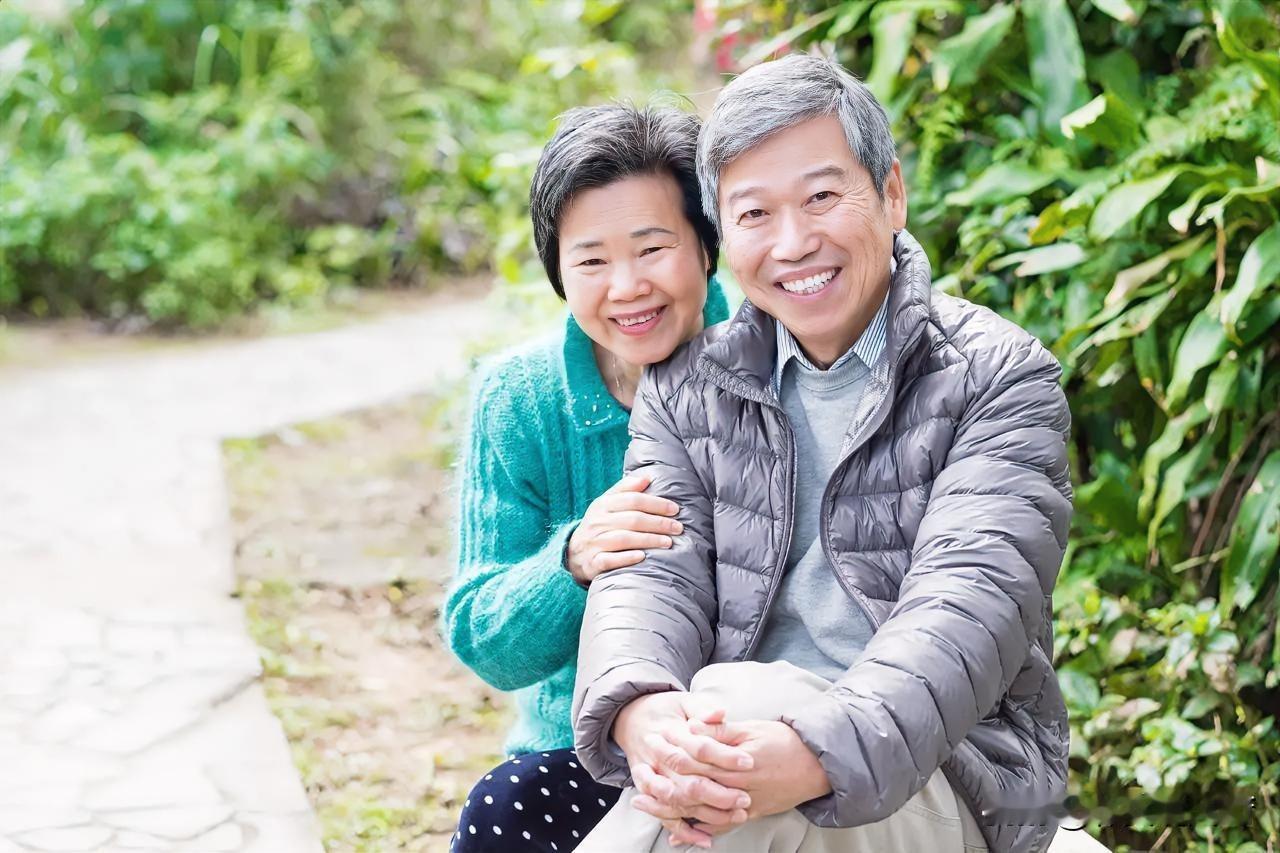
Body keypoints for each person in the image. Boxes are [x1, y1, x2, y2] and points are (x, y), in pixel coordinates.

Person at [573, 54, 1073, 853]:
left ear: (893, 193)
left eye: (821, 196)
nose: (794, 241)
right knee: (725, 742)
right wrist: (642, 713)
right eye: (755, 214)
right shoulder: (686, 390)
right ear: (724, 233)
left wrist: (809, 753)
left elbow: (969, 610)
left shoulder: (997, 377)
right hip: (734, 749)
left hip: (937, 779)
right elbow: (650, 574)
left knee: (731, 734)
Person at [443, 103, 730, 853]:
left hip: (742, 735)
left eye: (652, 247)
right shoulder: (520, 398)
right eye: (592, 260)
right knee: (501, 811)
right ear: (559, 272)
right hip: (583, 753)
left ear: (705, 245)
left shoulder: (772, 364)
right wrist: (573, 561)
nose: (627, 286)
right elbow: (483, 637)